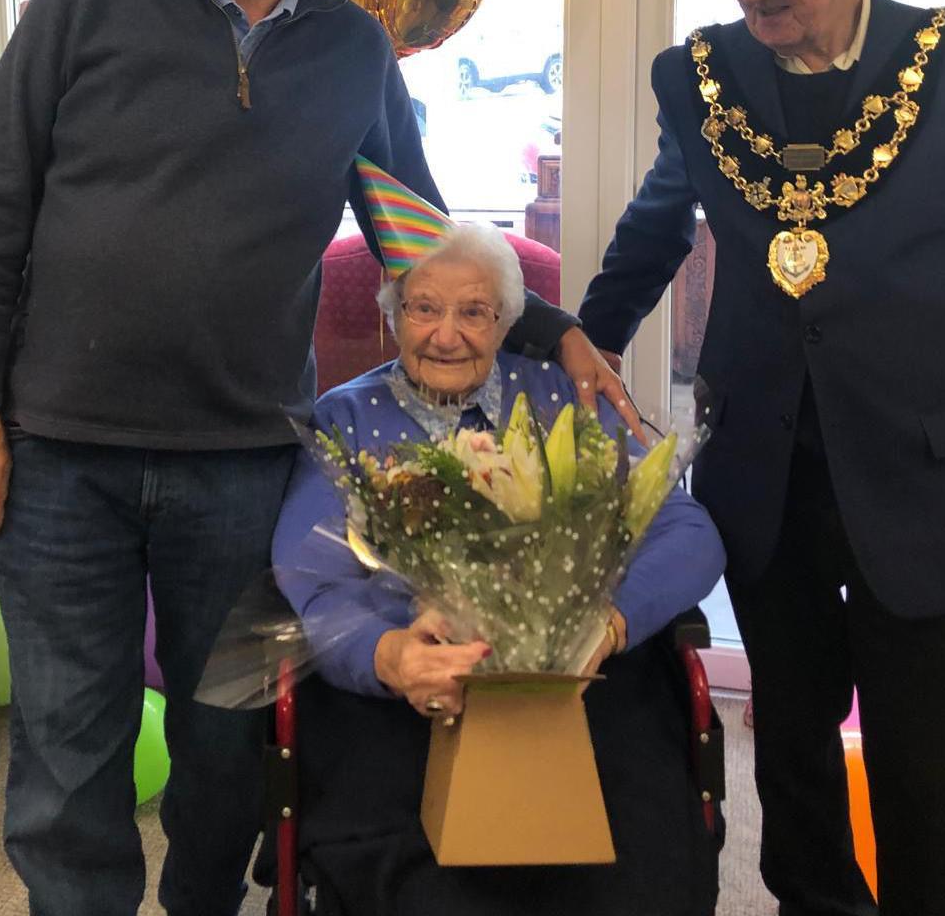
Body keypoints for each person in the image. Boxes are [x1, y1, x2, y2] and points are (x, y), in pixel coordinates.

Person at [0, 0, 627, 916]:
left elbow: (416, 229)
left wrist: (551, 335)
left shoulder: (354, 48)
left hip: (249, 463)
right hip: (61, 451)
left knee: (226, 749)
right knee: (64, 751)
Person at [579, 0, 945, 916]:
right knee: (794, 755)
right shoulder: (704, 79)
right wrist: (580, 339)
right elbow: (657, 224)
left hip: (936, 485)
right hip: (769, 481)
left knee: (939, 770)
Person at [273, 219, 726, 916]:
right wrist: (388, 654)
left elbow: (687, 531)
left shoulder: (558, 401)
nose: (446, 334)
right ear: (393, 318)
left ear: (508, 321)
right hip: (404, 694)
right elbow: (314, 577)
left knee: (637, 854)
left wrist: (606, 624)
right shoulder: (347, 418)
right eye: (424, 308)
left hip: (571, 681)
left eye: (474, 312)